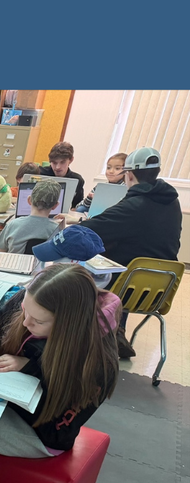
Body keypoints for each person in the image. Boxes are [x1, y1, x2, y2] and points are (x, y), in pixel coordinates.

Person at [0, 263, 120, 458]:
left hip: (39, 433)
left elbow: (57, 430)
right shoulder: (33, 301)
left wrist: (30, 370)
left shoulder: (98, 364)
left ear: (67, 326)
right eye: (24, 310)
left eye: (38, 322)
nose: (25, 322)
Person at [81, 146, 183, 359]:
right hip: (160, 289)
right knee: (127, 264)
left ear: (128, 174)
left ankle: (91, 335)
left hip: (127, 288)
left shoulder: (134, 205)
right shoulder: (172, 202)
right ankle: (117, 331)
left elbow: (91, 229)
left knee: (85, 269)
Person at [0, 179, 63, 252]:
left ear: (29, 200)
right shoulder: (58, 230)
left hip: (15, 263)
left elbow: (0, 253)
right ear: (55, 206)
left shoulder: (12, 225)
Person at [40, 141, 85, 208]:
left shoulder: (77, 179)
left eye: (62, 162)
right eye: (54, 163)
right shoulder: (40, 173)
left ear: (71, 160)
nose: (58, 167)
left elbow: (76, 206)